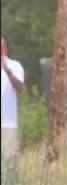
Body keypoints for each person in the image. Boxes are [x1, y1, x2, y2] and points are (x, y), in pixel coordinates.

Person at [1, 33, 24, 168]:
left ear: (6, 48)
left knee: (10, 166)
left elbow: (19, 87)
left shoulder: (15, 66)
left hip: (8, 123)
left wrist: (7, 71)